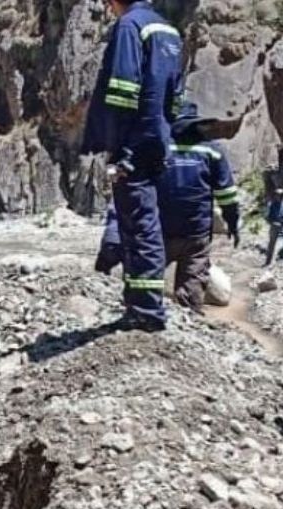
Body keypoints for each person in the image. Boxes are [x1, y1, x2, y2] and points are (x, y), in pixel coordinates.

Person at [81, 0, 183, 332]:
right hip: (157, 141)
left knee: (138, 228)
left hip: (135, 144)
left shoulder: (130, 26)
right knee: (147, 224)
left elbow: (123, 91)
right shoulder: (168, 30)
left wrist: (121, 149)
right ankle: (143, 306)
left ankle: (145, 312)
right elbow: (175, 98)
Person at [156, 101, 240, 313]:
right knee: (192, 283)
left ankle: (147, 316)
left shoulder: (157, 146)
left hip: (160, 230)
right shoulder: (212, 151)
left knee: (149, 276)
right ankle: (189, 322)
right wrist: (232, 222)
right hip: (196, 233)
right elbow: (227, 194)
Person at [264, 146, 283, 267]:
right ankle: (269, 262)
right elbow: (268, 192)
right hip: (277, 206)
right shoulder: (272, 171)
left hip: (278, 206)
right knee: (275, 232)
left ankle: (270, 262)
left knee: (276, 233)